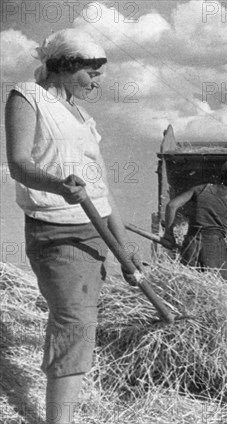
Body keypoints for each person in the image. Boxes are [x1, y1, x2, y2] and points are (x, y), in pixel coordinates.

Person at [4, 28, 142, 424]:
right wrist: (58, 185)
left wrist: (125, 250)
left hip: (95, 231)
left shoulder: (83, 117)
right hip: (56, 228)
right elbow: (18, 162)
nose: (97, 81)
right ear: (65, 66)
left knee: (83, 323)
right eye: (91, 72)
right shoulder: (27, 97)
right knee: (74, 323)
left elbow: (103, 190)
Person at [164, 159, 227, 273]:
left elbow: (171, 205)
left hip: (190, 249)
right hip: (215, 254)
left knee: (185, 288)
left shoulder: (200, 189)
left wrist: (169, 234)